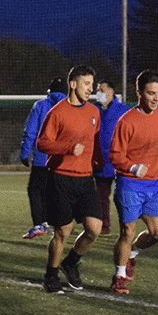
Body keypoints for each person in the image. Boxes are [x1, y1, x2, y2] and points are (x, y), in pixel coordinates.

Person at [108, 70, 158, 294]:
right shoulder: (126, 121)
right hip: (129, 184)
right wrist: (133, 167)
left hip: (154, 185)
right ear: (139, 93)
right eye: (151, 93)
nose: (156, 98)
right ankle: (119, 276)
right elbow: (114, 155)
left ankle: (133, 252)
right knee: (127, 231)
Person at [36, 64, 103, 294]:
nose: (90, 89)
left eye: (92, 85)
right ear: (73, 84)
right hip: (60, 179)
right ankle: (51, 274)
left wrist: (100, 161)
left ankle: (71, 262)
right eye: (86, 84)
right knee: (63, 232)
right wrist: (67, 148)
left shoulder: (94, 112)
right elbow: (42, 143)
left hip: (85, 180)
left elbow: (94, 142)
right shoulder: (57, 112)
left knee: (94, 229)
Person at [19, 77, 66, 239]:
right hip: (62, 159)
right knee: (56, 191)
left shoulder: (40, 106)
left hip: (42, 158)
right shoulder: (69, 107)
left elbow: (30, 131)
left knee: (35, 190)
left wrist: (25, 153)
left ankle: (39, 224)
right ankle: (59, 224)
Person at [93, 79, 130, 235]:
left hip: (119, 162)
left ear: (111, 91)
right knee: (101, 197)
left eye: (101, 89)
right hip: (100, 161)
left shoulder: (124, 110)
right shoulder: (92, 110)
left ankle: (127, 226)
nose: (98, 93)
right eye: (98, 90)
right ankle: (104, 226)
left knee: (123, 197)